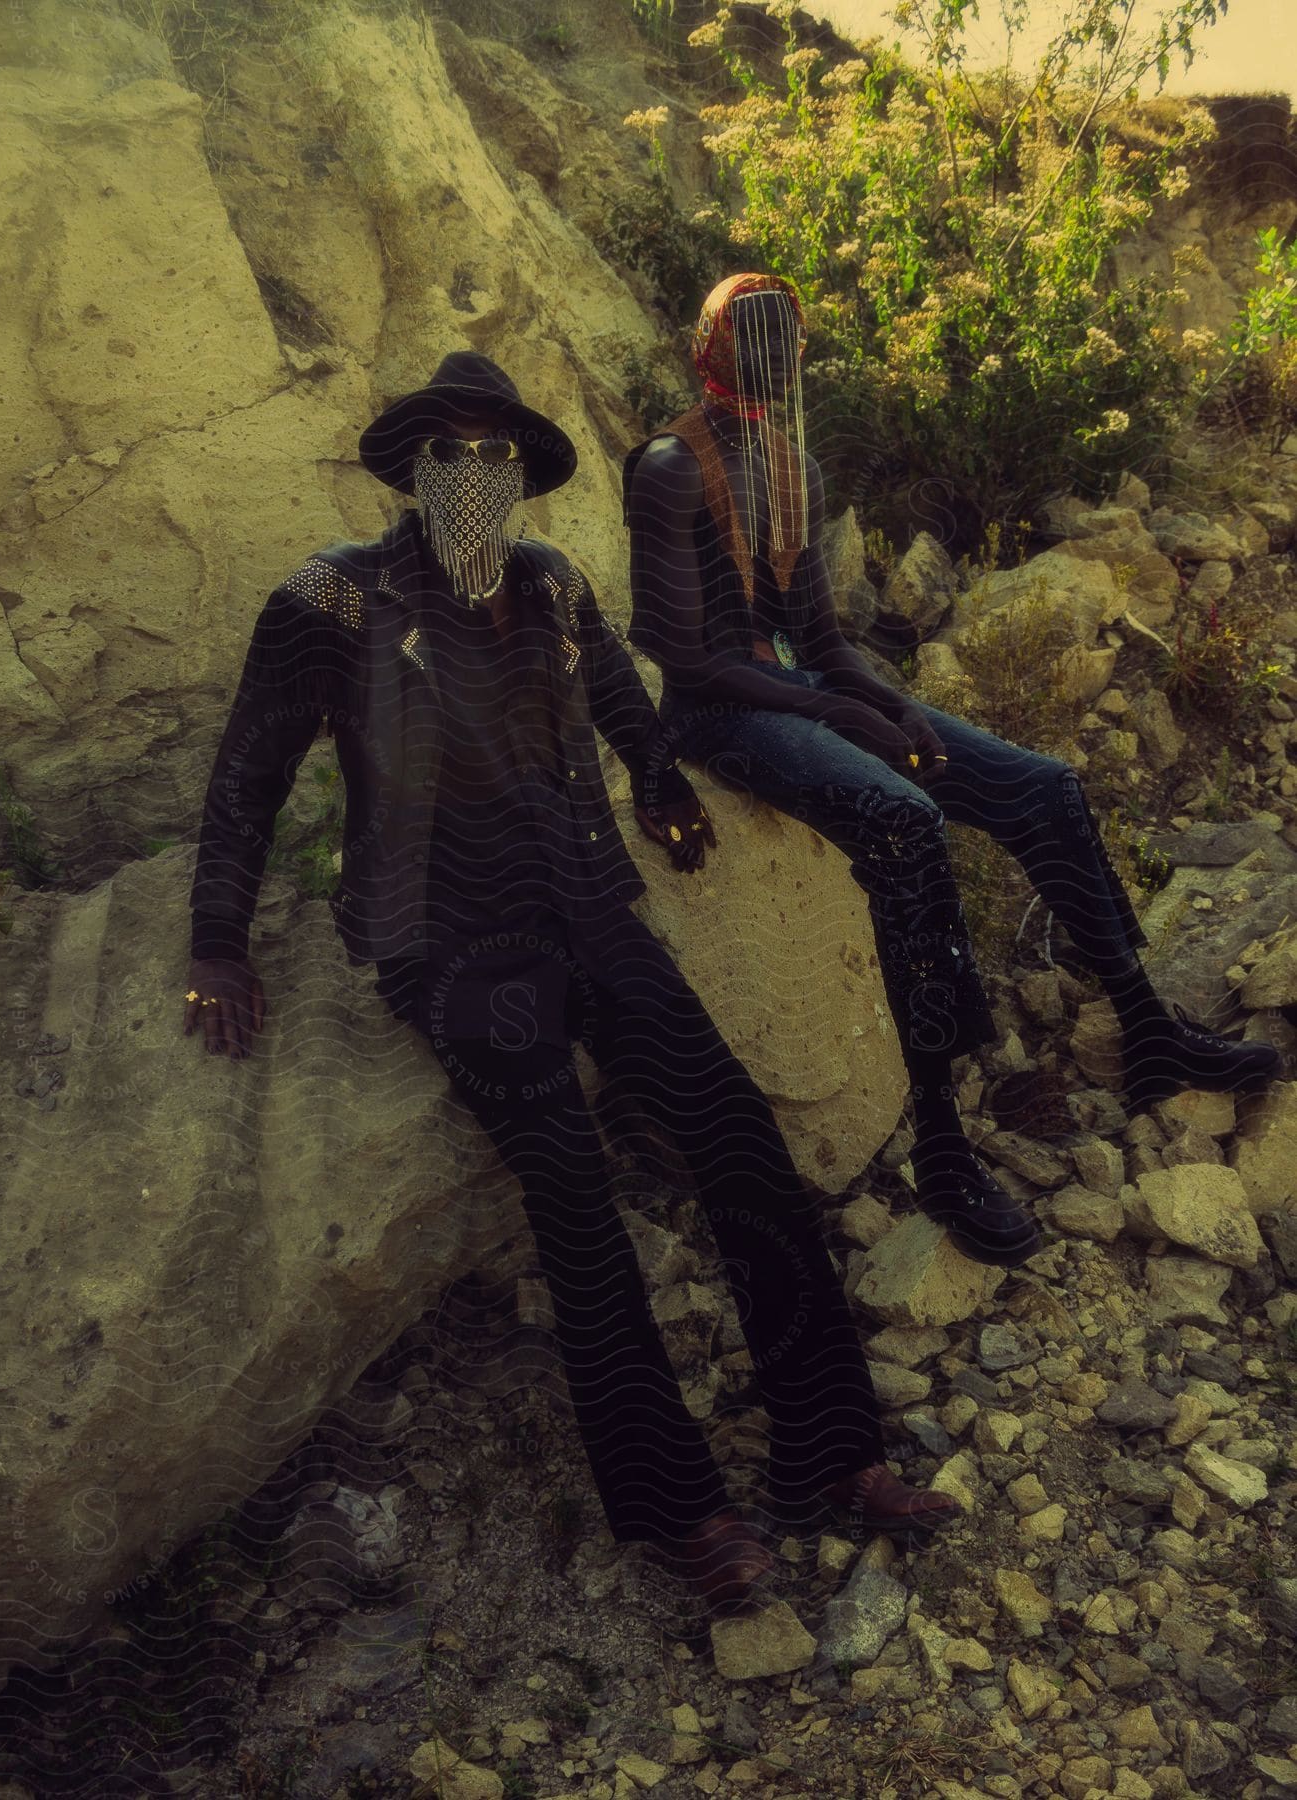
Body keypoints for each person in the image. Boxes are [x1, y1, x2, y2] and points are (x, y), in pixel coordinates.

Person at [182, 351, 961, 1616]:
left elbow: (616, 698)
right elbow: (246, 780)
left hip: (592, 909)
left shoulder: (548, 584)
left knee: (743, 1144)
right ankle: (683, 1516)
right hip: (451, 945)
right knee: (577, 1203)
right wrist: (217, 940)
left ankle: (836, 1455)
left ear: (524, 478)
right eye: (454, 452)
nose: (476, 475)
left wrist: (656, 779)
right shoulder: (328, 602)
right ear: (412, 468)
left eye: (499, 456)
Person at [623, 272, 1282, 1268]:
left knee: (1041, 787)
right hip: (720, 716)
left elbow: (819, 639)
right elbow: (683, 656)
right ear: (707, 350)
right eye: (745, 335)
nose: (767, 354)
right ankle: (940, 1143)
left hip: (797, 690)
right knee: (903, 820)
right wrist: (838, 709)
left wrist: (884, 704)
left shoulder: (793, 461)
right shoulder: (670, 463)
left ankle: (1147, 1030)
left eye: (781, 336)